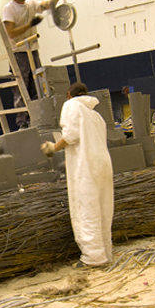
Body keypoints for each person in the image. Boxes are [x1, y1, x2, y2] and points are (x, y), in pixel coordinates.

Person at [40, 82, 114, 268]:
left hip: (86, 166)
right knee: (104, 209)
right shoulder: (96, 115)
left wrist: (53, 147)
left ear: (68, 95)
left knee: (87, 209)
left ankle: (94, 258)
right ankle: (106, 252)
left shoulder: (71, 105)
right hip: (103, 164)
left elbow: (71, 135)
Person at [2, 0, 66, 129]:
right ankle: (23, 123)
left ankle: (37, 119)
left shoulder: (31, 3)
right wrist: (30, 25)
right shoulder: (9, 9)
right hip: (19, 53)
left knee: (38, 85)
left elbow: (49, 5)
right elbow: (10, 33)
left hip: (33, 50)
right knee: (22, 88)